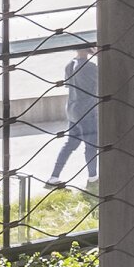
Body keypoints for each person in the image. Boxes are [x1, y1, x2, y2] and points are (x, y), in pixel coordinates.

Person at [48, 46, 97, 185]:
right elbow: (105, 80)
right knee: (91, 145)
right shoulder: (90, 67)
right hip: (86, 111)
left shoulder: (69, 65)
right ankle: (93, 177)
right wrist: (99, 55)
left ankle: (54, 176)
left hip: (72, 110)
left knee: (70, 144)